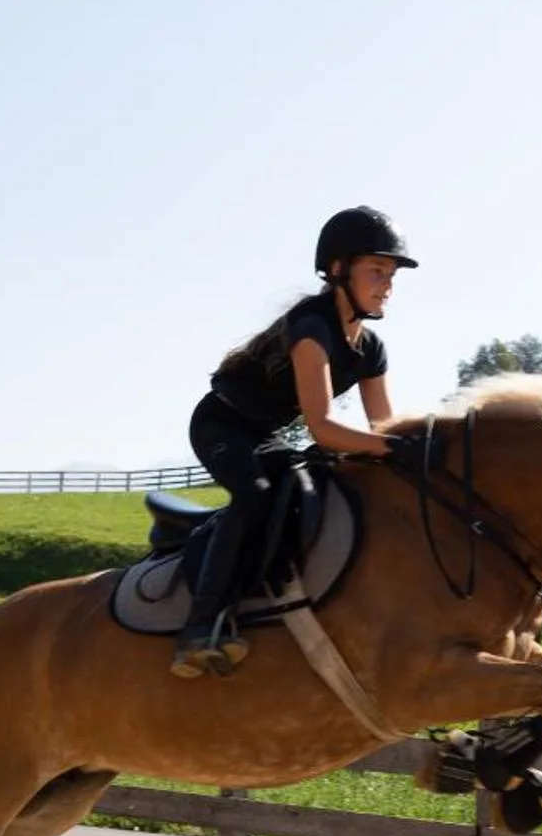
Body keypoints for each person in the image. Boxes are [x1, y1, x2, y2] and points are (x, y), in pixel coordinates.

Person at [173, 206, 419, 678]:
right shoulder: (313, 326)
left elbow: (383, 428)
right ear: (338, 270)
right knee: (257, 495)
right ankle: (200, 625)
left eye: (391, 275)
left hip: (263, 434)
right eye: (377, 271)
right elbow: (324, 427)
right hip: (220, 425)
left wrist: (411, 451)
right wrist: (389, 449)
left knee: (312, 493)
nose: (387, 284)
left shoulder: (372, 349)